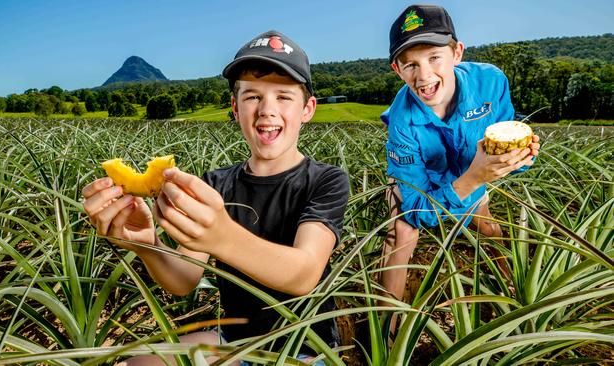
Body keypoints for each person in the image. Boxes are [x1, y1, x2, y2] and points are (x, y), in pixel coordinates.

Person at [82, 30, 349, 365]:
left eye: (283, 97)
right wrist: (146, 244)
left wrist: (222, 236)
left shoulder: (326, 180)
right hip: (235, 344)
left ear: (307, 109)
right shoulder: (217, 183)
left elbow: (304, 274)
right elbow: (183, 280)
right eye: (252, 97)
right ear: (235, 109)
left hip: (306, 350)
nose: (267, 109)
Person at [379, 4, 541, 313]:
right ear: (397, 70)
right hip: (421, 182)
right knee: (400, 234)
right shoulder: (402, 121)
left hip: (471, 172)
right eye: (410, 64)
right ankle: (388, 331)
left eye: (434, 57)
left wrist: (520, 158)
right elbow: (418, 213)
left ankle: (511, 295)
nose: (424, 75)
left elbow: (509, 141)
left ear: (457, 53)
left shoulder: (491, 82)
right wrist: (476, 177)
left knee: (489, 230)